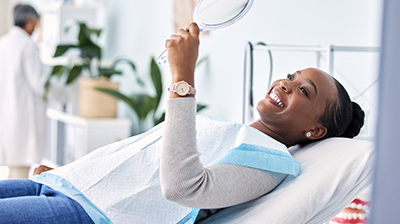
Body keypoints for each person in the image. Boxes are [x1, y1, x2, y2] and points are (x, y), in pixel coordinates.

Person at [0, 23, 365, 223]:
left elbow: (183, 187)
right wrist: (73, 170)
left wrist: (183, 76)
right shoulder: (231, 130)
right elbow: (139, 154)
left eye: (304, 89)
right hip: (64, 185)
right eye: (291, 74)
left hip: (90, 214)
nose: (285, 82)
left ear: (315, 131)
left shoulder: (270, 162)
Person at [0, 3, 47, 179]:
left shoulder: (3, 42)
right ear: (29, 21)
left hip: (7, 113)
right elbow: (39, 83)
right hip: (22, 116)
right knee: (20, 172)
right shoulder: (27, 46)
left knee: (14, 170)